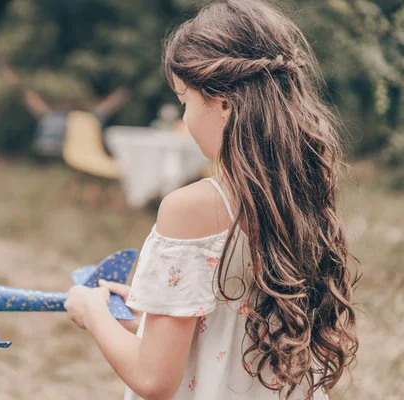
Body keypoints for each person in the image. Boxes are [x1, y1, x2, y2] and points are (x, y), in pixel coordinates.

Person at [64, 1, 358, 399]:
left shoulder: (192, 208)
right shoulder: (298, 193)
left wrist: (93, 312)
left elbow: (154, 379)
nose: (184, 119)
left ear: (224, 103)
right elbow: (235, 323)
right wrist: (155, 316)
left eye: (185, 100)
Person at [0, 59, 130, 160]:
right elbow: (24, 93)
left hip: (68, 157)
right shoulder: (55, 117)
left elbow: (24, 93)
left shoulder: (85, 119)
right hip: (55, 157)